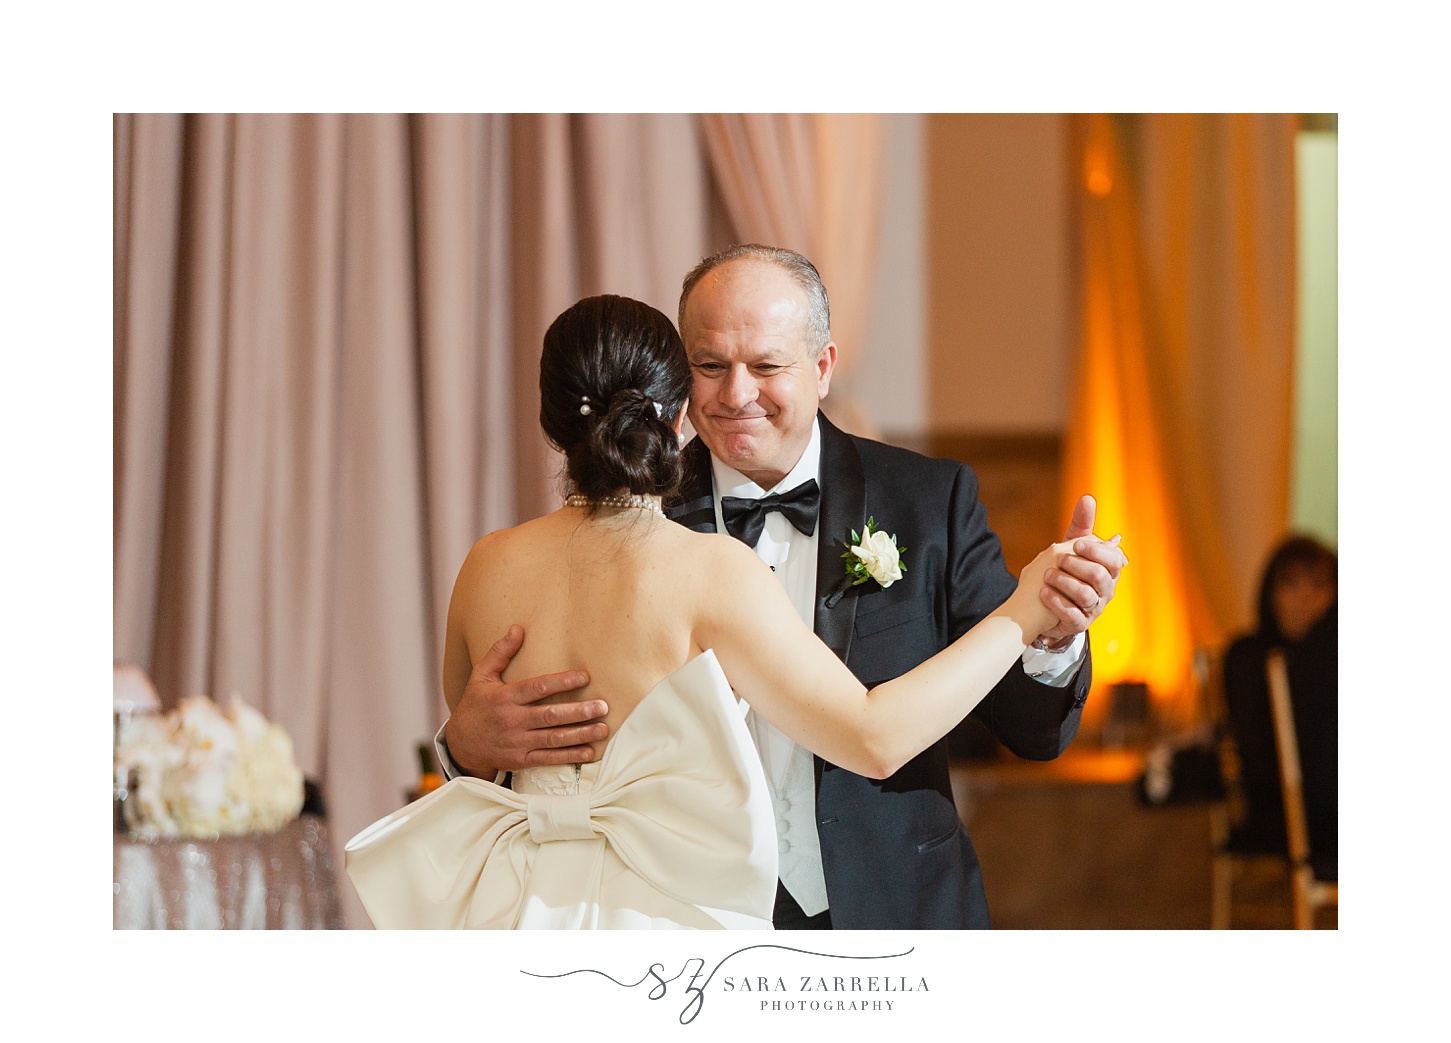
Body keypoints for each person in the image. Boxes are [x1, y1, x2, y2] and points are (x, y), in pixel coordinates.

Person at [345, 291, 1092, 930]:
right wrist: (1023, 608)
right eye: (710, 367)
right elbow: (872, 734)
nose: (738, 392)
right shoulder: (708, 568)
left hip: (528, 920)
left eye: (765, 365)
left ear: (548, 421)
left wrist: (465, 743)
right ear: (678, 409)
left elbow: (466, 706)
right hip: (678, 927)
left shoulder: (487, 563)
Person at [1221, 535, 1337, 874]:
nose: (1305, 599)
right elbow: (1260, 762)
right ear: (1270, 593)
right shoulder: (1248, 658)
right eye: (1291, 585)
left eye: (1319, 586)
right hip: (1287, 814)